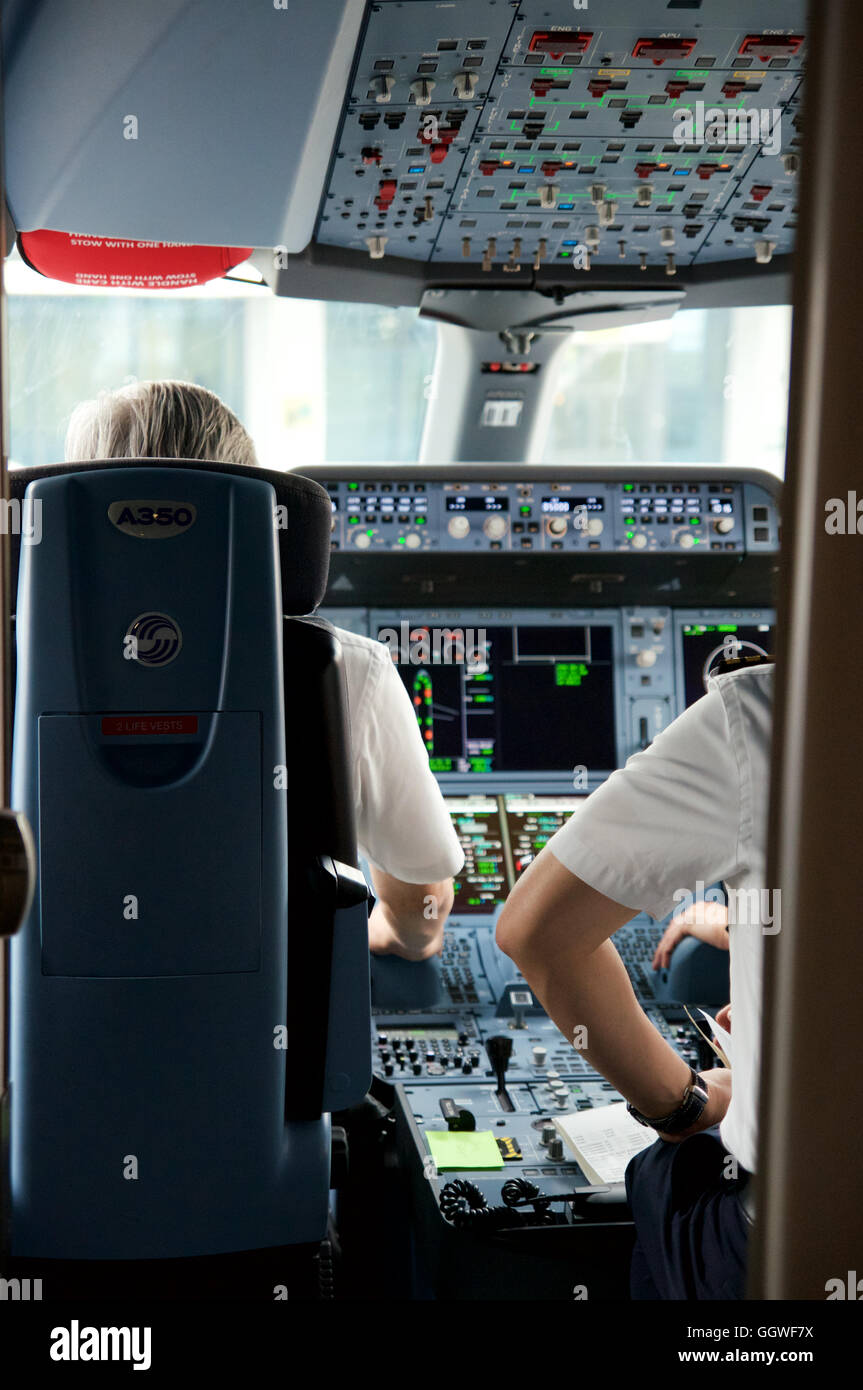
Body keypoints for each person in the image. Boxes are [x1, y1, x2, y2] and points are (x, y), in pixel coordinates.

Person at [64, 379, 464, 960]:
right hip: (277, 1042)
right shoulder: (344, 669)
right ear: (251, 513)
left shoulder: (12, 668)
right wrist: (398, 938)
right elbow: (421, 900)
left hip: (39, 1039)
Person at [496, 661, 773, 1299]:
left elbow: (537, 935)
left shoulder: (767, 713)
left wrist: (685, 1104)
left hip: (799, 1240)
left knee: (665, 1167)